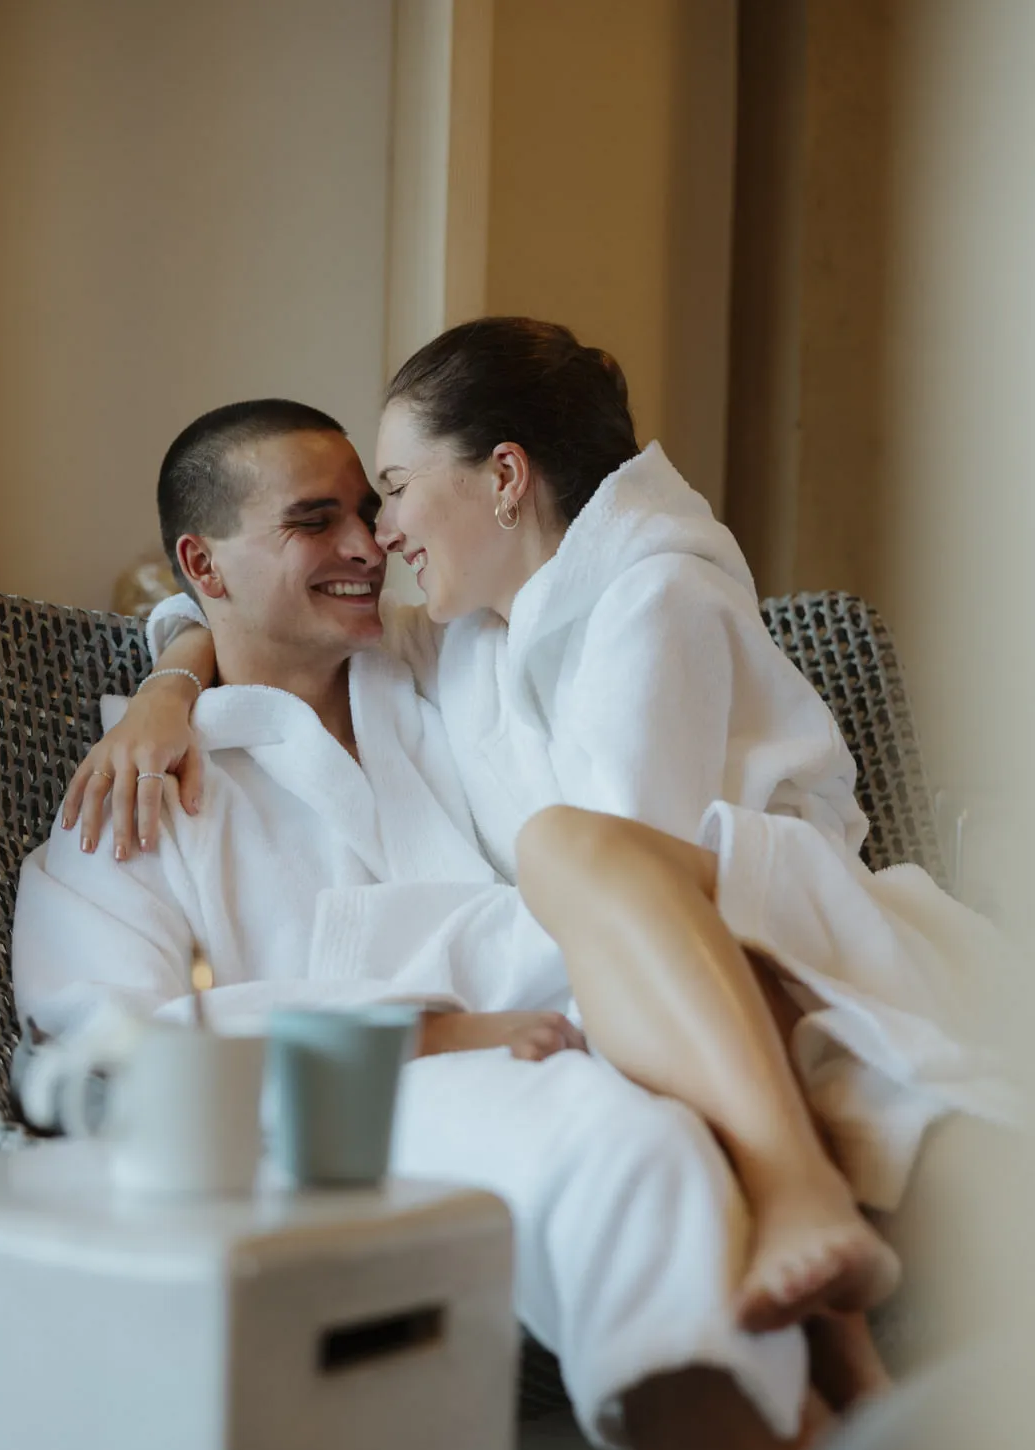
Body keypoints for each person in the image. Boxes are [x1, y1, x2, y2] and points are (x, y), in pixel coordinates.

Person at [76, 320, 1014, 1339]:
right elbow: (251, 613)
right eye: (347, 510)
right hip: (642, 976)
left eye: (388, 488)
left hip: (754, 928)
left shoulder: (654, 596)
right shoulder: (476, 631)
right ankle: (848, 1428)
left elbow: (619, 878)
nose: (378, 537)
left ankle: (805, 1203)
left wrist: (427, 1008)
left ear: (505, 476)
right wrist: (166, 686)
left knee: (565, 850)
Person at [21, 398, 826, 1450]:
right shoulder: (136, 799)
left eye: (368, 507)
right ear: (202, 560)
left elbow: (614, 591)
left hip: (617, 1014)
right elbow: (111, 1050)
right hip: (361, 1108)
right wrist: (426, 1027)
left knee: (788, 1076)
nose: (368, 545)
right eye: (316, 520)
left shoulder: (453, 669)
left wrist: (176, 663)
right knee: (629, 1147)